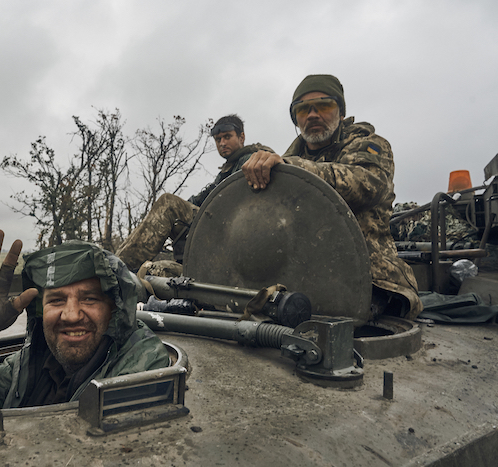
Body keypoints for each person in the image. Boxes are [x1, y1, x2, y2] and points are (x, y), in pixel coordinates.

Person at [241, 74, 423, 319]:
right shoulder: (287, 161)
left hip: (369, 277)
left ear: (341, 112)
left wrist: (291, 169)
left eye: (324, 105)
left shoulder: (369, 145)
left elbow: (366, 185)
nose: (313, 114)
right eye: (303, 109)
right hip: (298, 274)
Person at [0, 230, 170, 408]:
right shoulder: (25, 365)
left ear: (114, 310)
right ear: (40, 311)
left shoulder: (141, 364)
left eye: (89, 299)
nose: (72, 315)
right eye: (56, 300)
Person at [116, 114, 274, 271]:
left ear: (241, 137)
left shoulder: (251, 161)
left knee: (169, 204)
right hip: (220, 229)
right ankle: (117, 261)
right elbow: (202, 198)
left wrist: (177, 208)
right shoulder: (228, 169)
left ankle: (118, 269)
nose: (222, 143)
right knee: (157, 268)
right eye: (218, 140)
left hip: (235, 232)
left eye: (227, 137)